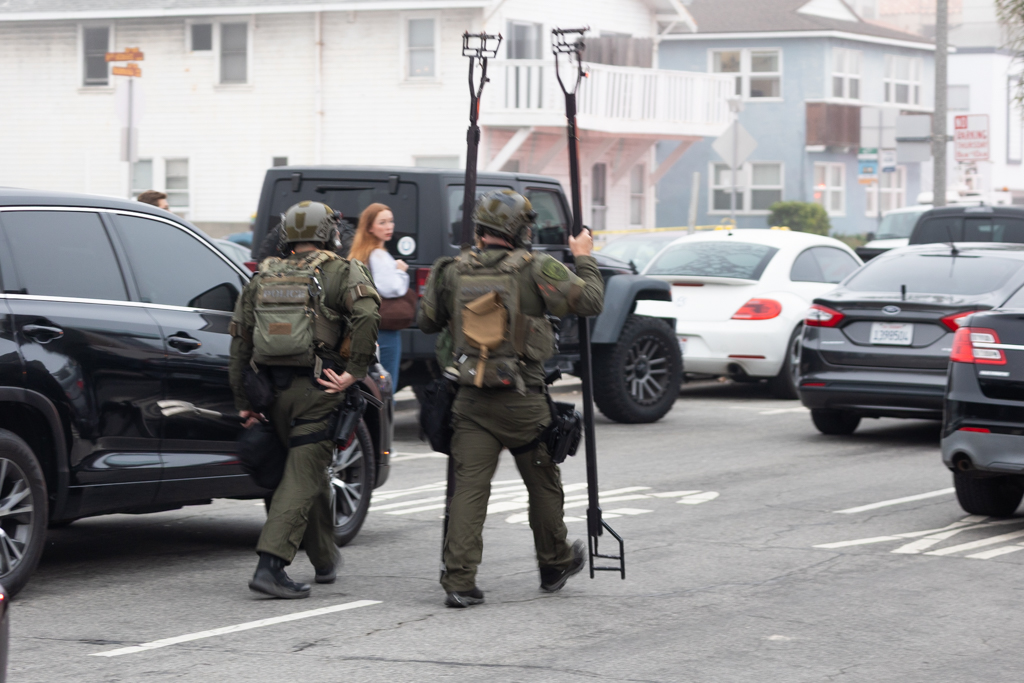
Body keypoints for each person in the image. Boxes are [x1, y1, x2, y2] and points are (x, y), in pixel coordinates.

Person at [417, 190, 604, 608]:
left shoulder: (452, 269)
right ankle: (554, 563)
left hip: (469, 399)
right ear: (521, 230)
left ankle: (459, 580)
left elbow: (426, 321)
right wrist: (584, 257)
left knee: (469, 490)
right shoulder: (536, 267)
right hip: (523, 402)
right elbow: (590, 301)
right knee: (543, 484)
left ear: (480, 228)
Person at [229, 200, 380, 599]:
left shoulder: (263, 275)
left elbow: (240, 337)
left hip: (270, 394)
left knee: (307, 473)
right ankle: (270, 565)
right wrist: (355, 371)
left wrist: (244, 400)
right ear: (328, 233)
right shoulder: (342, 271)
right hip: (319, 391)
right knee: (301, 478)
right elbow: (367, 315)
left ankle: (325, 559)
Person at [348, 203, 409, 388]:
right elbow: (391, 288)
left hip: (364, 325)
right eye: (382, 222)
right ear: (370, 228)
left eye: (391, 221)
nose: (389, 227)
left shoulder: (360, 254)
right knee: (386, 384)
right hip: (385, 328)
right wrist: (401, 271)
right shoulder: (378, 255)